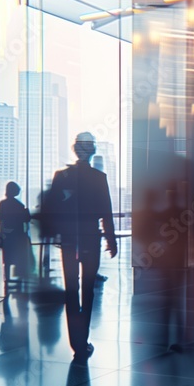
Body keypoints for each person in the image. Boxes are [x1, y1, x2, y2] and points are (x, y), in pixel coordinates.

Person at [46, 132, 118, 361]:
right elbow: (105, 212)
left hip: (68, 239)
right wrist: (111, 239)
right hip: (90, 238)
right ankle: (81, 341)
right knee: (87, 291)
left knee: (71, 289)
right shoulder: (99, 177)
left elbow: (52, 210)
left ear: (75, 149)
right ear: (93, 150)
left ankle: (75, 340)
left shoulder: (61, 176)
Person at [0, 181, 32, 293]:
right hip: (18, 234)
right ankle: (20, 278)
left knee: (7, 257)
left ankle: (7, 278)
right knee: (19, 257)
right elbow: (26, 220)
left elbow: (0, 218)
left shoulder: (2, 204)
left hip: (7, 234)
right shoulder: (20, 205)